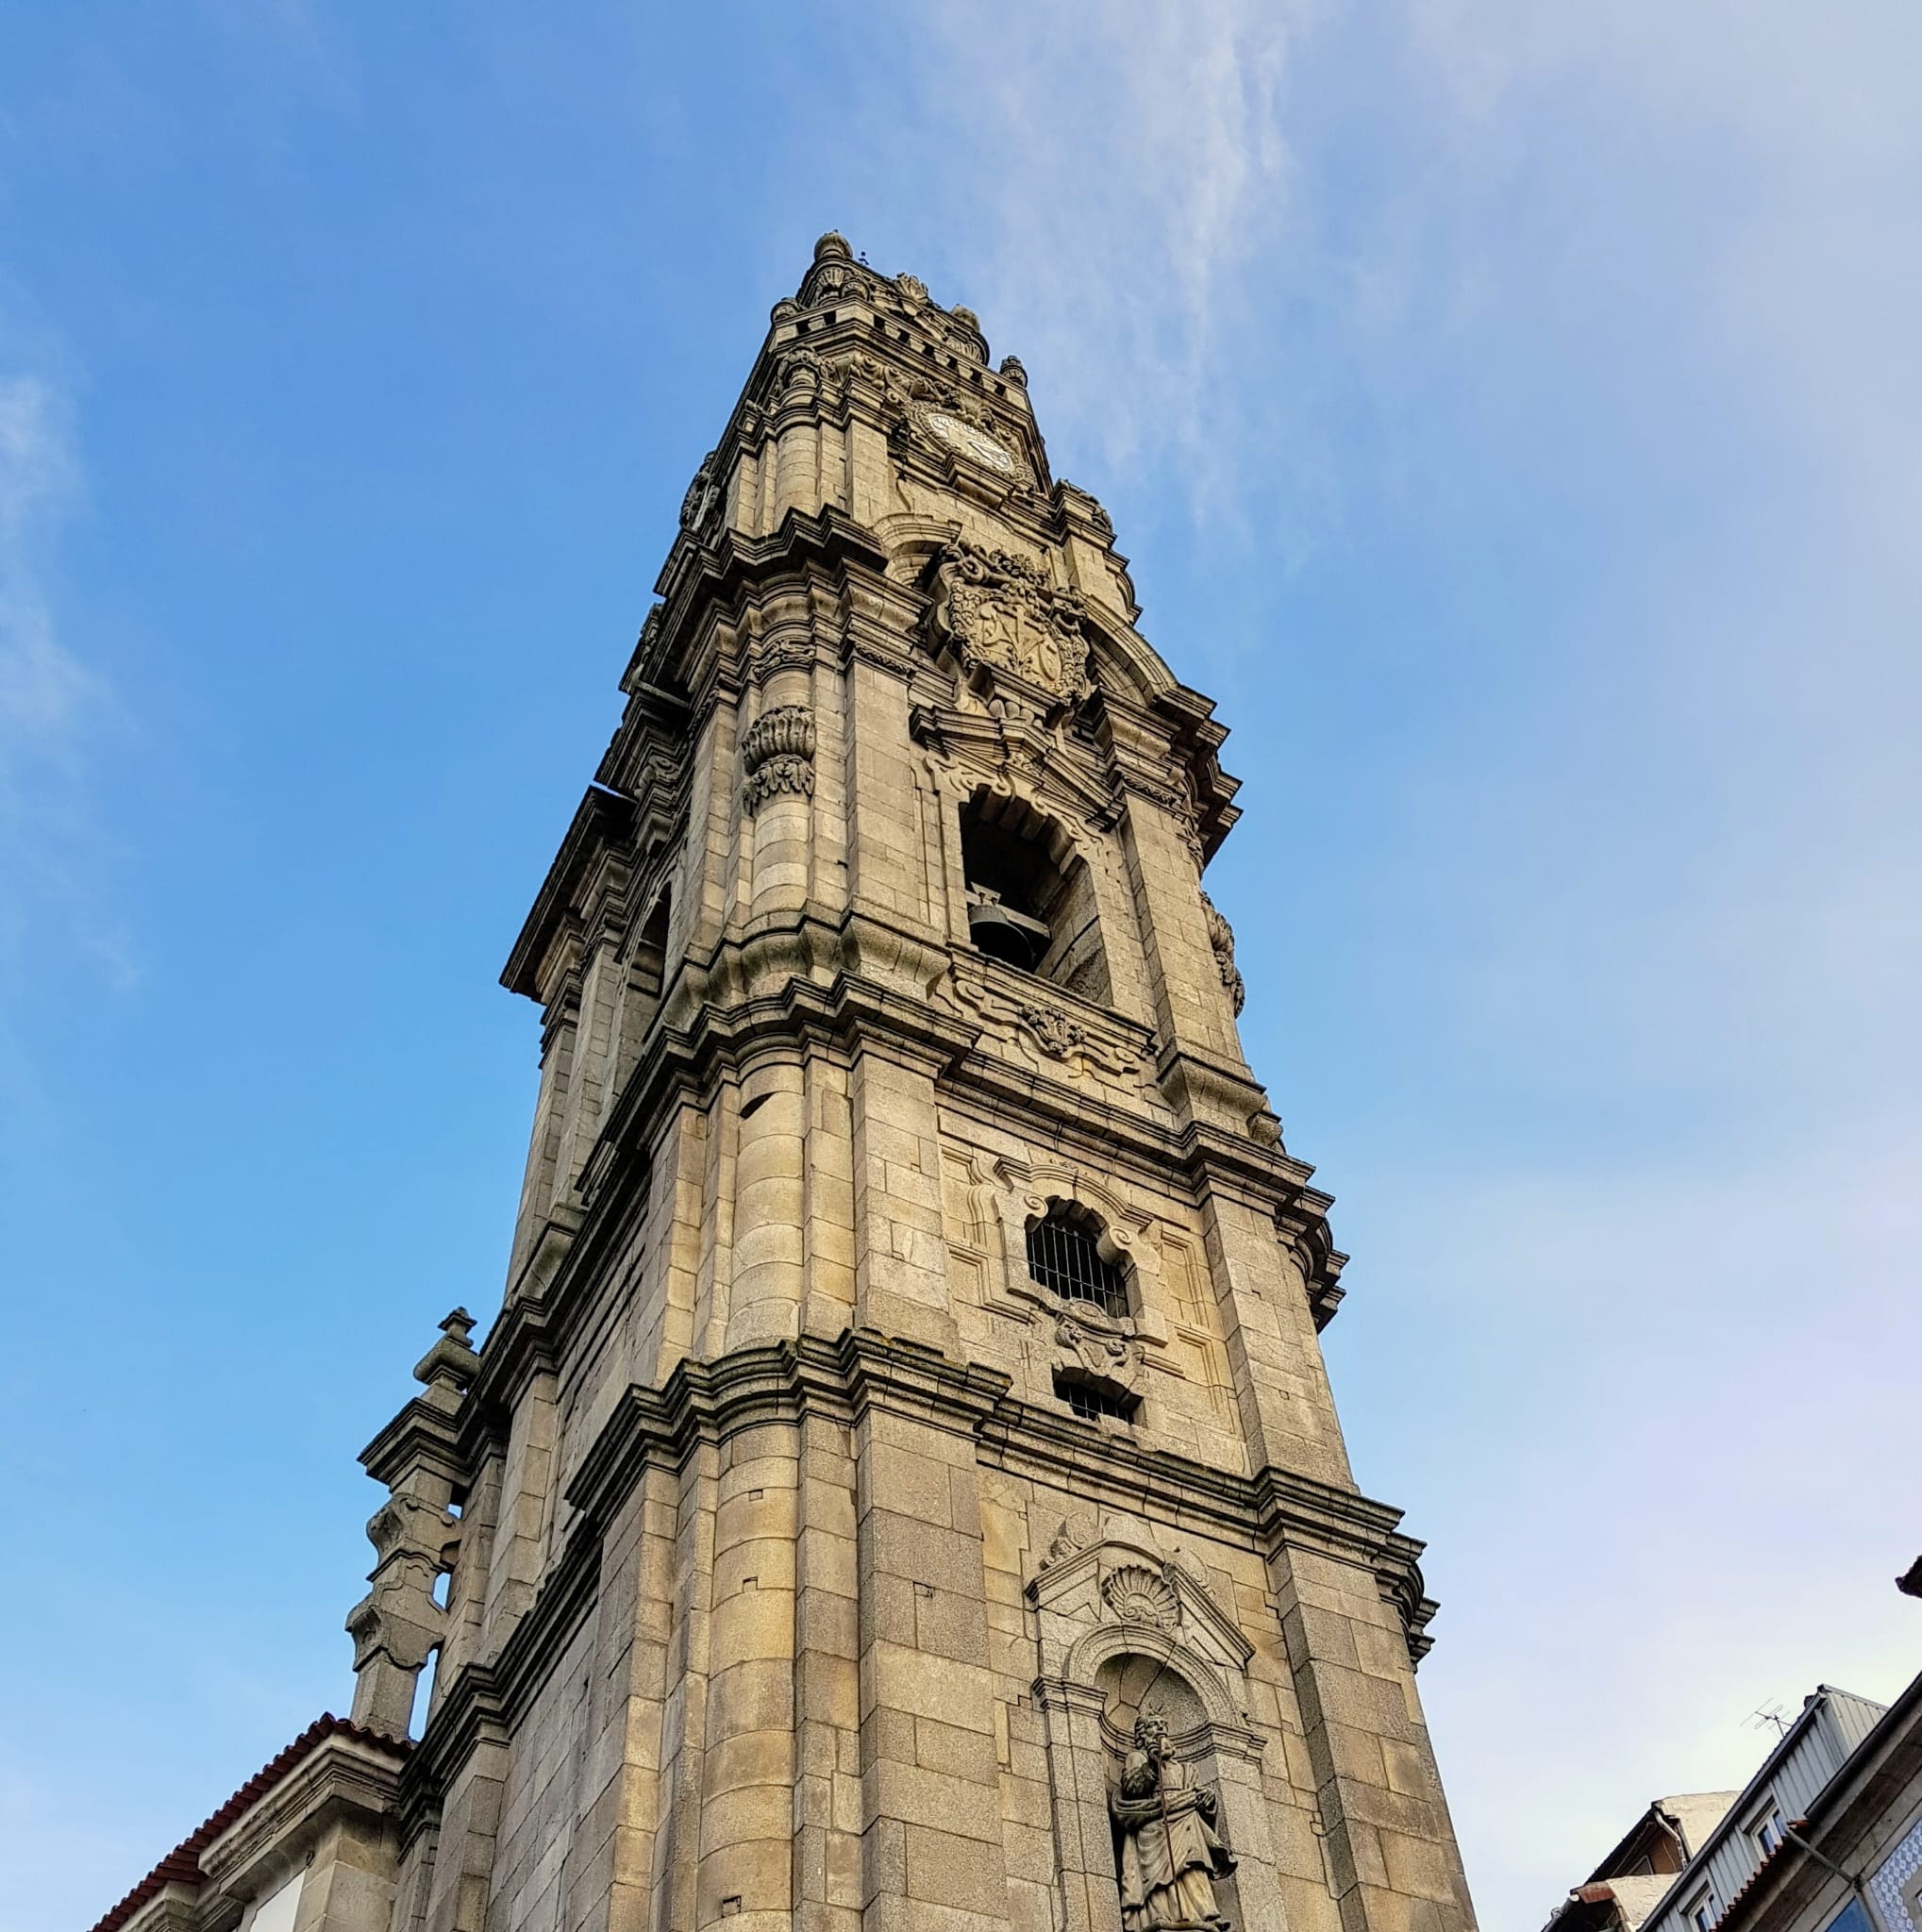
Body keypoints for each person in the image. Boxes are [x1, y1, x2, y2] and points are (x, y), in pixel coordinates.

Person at [1110, 1707, 1235, 1930]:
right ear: (1142, 1734)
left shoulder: (1186, 1768)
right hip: (1155, 1824)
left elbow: (1196, 1795)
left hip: (1187, 1822)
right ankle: (1160, 1914)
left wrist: (1207, 1798)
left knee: (1193, 1865)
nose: (1159, 1729)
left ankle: (1203, 1913)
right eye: (1152, 1725)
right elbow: (1132, 1787)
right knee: (1159, 1876)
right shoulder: (1137, 1757)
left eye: (1162, 1725)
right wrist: (1153, 1764)